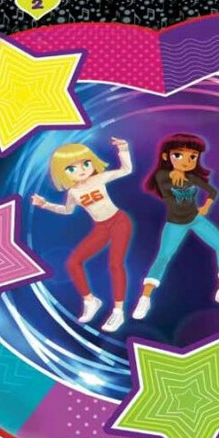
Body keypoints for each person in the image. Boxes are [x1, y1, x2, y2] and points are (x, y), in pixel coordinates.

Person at [132, 133, 219, 320]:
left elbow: (212, 191)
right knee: (163, 257)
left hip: (195, 219)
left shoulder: (192, 177)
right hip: (176, 223)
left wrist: (206, 206)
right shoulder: (162, 175)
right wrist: (173, 173)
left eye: (192, 157)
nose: (186, 161)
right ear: (166, 156)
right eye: (179, 155)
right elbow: (165, 179)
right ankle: (145, 298)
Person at [32, 137, 133, 333]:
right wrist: (45, 205)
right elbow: (67, 211)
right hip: (101, 227)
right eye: (72, 168)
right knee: (73, 262)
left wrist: (123, 149)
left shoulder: (99, 178)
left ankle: (118, 311)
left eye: (85, 163)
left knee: (115, 264)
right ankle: (90, 300)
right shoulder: (73, 193)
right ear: (62, 172)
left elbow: (126, 170)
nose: (81, 170)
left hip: (119, 222)